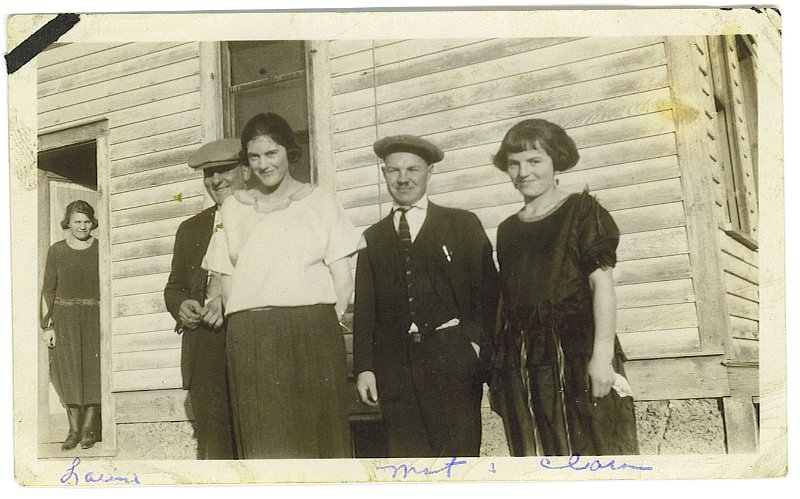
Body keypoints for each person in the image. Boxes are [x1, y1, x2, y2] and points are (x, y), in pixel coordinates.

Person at [202, 112, 363, 459]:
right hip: (252, 337)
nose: (263, 164)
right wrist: (245, 326)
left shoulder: (319, 201)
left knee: (319, 438)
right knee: (267, 442)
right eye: (255, 156)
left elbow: (342, 276)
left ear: (288, 151)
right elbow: (225, 279)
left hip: (312, 333)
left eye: (271, 153)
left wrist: (322, 322)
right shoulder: (233, 208)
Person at [490, 118, 639, 456]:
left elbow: (602, 286)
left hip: (577, 353)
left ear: (555, 160)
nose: (523, 172)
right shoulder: (507, 230)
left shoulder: (582, 211)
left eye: (534, 160)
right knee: (537, 453)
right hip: (526, 361)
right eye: (514, 163)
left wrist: (602, 358)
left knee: (592, 448)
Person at [353, 135, 499, 457]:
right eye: (393, 170)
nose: (402, 178)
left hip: (452, 360)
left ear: (429, 172)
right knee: (408, 463)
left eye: (412, 169)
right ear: (384, 174)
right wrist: (364, 367)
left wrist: (474, 347)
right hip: (394, 368)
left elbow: (488, 295)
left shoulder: (461, 224)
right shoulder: (373, 237)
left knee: (458, 461)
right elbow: (365, 308)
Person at [164, 138, 245, 460]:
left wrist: (229, 299)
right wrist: (180, 305)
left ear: (247, 171)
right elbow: (175, 285)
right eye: (209, 173)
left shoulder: (266, 220)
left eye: (225, 170)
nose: (216, 180)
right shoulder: (191, 229)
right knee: (214, 447)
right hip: (205, 352)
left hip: (248, 341)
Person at [40, 200, 102, 451]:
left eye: (87, 221)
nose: (82, 226)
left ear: (92, 222)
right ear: (68, 222)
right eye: (77, 221)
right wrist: (48, 326)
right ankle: (73, 430)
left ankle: (89, 429)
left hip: (93, 317)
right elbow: (48, 289)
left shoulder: (101, 248)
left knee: (92, 371)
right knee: (68, 373)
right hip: (64, 318)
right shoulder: (56, 251)